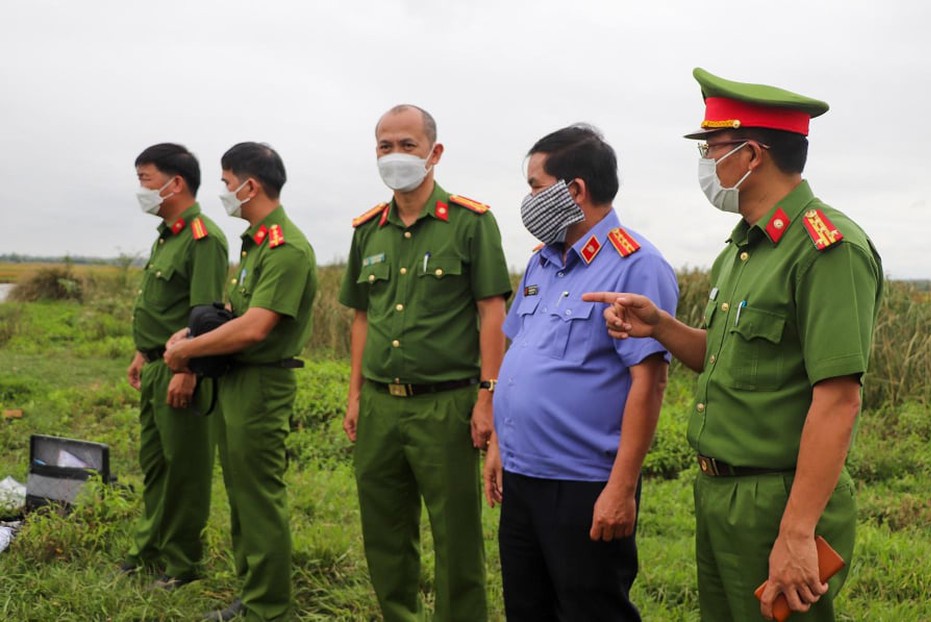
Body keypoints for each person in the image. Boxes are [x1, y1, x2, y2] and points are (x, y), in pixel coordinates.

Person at [584, 68, 884, 621]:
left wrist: (796, 532)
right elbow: (727, 358)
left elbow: (839, 398)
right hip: (720, 495)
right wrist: (662, 326)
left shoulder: (827, 249)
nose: (705, 162)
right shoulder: (743, 247)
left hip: (778, 501)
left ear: (750, 155)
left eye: (712, 147)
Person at [484, 124, 679, 621]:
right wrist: (500, 445)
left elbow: (649, 381)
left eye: (534, 185)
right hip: (523, 477)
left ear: (574, 190)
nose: (527, 198)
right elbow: (520, 357)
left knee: (591, 610)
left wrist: (621, 488)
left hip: (584, 483)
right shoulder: (542, 264)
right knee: (527, 609)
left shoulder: (637, 265)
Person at [339, 104, 511, 622]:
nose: (395, 156)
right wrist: (353, 396)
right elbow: (362, 318)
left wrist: (488, 396)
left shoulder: (470, 223)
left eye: (407, 145)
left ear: (433, 153)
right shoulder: (368, 230)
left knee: (456, 536)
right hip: (379, 405)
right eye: (385, 146)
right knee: (384, 532)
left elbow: (491, 312)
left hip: (446, 406)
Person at [164, 142, 317, 622]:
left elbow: (256, 327)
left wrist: (185, 353)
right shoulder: (256, 243)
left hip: (262, 385)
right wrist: (191, 332)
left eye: (228, 183)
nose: (225, 192)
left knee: (258, 496)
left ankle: (269, 608)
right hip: (236, 382)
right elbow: (233, 315)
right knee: (240, 493)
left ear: (250, 186)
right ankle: (252, 593)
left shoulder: (286, 248)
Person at [124, 143, 228, 590]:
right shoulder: (167, 235)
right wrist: (142, 352)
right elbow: (162, 306)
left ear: (175, 183)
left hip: (180, 369)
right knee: (155, 465)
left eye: (145, 179)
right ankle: (148, 548)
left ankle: (182, 565)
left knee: (184, 469)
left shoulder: (203, 238)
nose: (141, 190)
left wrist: (187, 370)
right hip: (154, 365)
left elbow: (203, 315)